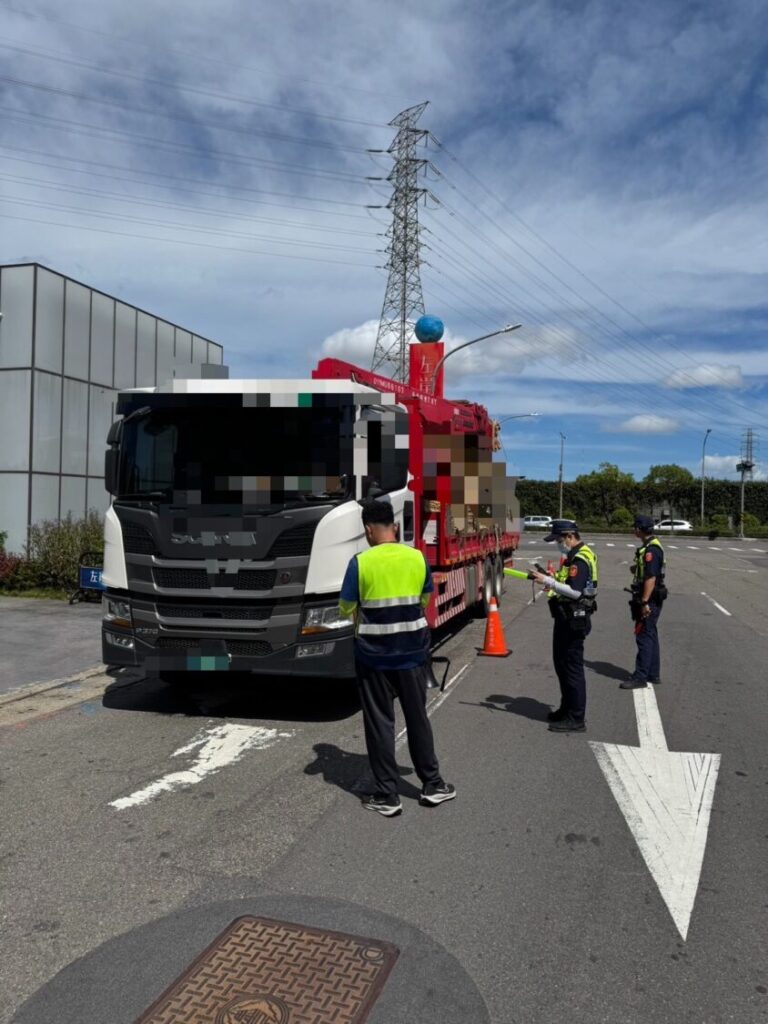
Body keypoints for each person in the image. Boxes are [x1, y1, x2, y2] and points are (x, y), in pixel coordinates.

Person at [338, 499, 456, 817]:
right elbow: (425, 598)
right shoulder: (416, 557)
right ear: (393, 526)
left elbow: (346, 608)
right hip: (413, 655)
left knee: (380, 724)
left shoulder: (360, 562)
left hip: (374, 658)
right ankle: (433, 785)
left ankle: (387, 795)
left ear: (367, 530)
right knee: (418, 718)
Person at [531, 519, 598, 733]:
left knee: (572, 668)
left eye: (559, 540)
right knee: (562, 665)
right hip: (565, 618)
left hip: (573, 620)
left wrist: (548, 582)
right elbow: (567, 584)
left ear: (569, 536)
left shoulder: (580, 558)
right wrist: (551, 578)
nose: (558, 544)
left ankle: (576, 718)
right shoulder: (573, 556)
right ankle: (566, 709)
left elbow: (576, 592)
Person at [621, 514, 666, 689]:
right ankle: (653, 673)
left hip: (649, 598)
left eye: (635, 527)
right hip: (652, 597)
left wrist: (644, 602)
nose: (633, 530)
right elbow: (647, 570)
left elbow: (651, 577)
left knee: (644, 637)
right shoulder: (650, 546)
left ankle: (640, 677)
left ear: (639, 529)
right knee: (651, 635)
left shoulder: (651, 551)